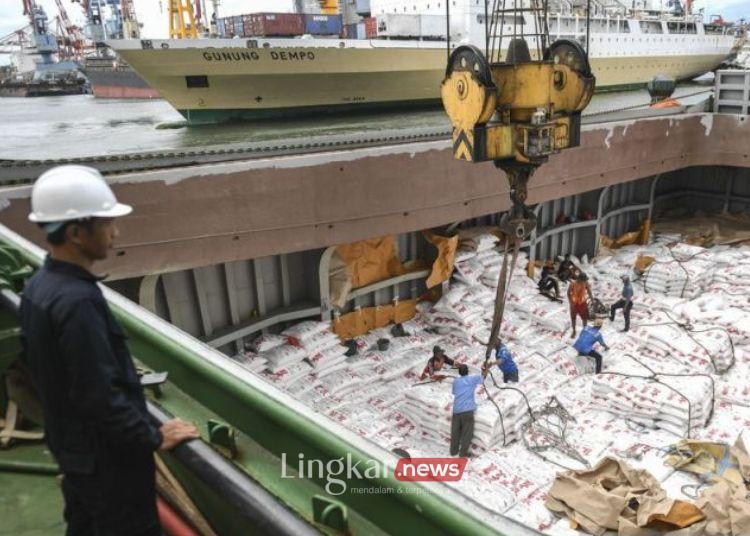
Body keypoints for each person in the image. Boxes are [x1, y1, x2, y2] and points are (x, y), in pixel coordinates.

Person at [20, 166, 200, 536]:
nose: (115, 232)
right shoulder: (78, 301)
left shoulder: (40, 286)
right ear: (75, 232)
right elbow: (97, 393)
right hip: (108, 463)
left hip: (74, 450)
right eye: (106, 224)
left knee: (84, 524)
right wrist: (153, 436)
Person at [450, 364, 487, 458]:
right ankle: (463, 453)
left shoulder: (455, 381)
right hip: (467, 410)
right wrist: (484, 369)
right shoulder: (472, 379)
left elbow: (454, 392)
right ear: (468, 371)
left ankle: (453, 451)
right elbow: (483, 377)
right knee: (467, 433)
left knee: (455, 432)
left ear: (459, 372)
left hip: (456, 409)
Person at [568, 272, 593, 338]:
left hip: (582, 303)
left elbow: (589, 291)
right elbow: (568, 293)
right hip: (574, 303)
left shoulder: (585, 283)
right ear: (579, 279)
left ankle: (585, 331)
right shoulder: (572, 284)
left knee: (584, 318)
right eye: (583, 280)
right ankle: (574, 331)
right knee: (573, 318)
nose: (584, 281)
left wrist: (592, 299)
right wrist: (571, 303)